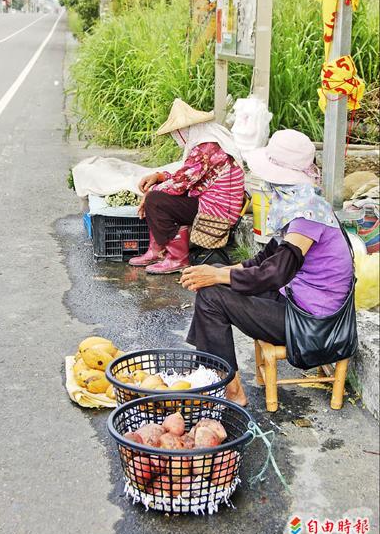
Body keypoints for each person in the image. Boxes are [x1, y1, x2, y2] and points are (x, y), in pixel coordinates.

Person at [181, 129, 354, 406]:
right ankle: (214, 373)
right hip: (297, 303)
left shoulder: (308, 214)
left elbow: (275, 273)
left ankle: (229, 388)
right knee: (213, 286)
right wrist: (217, 274)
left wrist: (219, 275)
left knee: (212, 297)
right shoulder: (302, 204)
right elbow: (265, 259)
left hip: (313, 325)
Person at [129, 98, 245, 274]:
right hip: (215, 203)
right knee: (157, 194)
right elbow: (186, 177)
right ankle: (158, 250)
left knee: (155, 199)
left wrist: (149, 195)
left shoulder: (207, 147)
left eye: (178, 132)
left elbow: (181, 183)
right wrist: (160, 177)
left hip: (217, 212)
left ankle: (177, 258)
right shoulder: (209, 142)